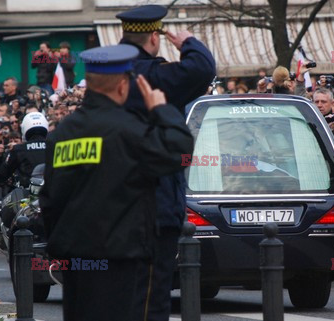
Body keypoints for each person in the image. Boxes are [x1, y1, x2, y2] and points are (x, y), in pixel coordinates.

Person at [39, 44, 194, 321]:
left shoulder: (61, 134)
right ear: (123, 86)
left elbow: (49, 200)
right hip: (119, 257)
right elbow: (180, 153)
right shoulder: (128, 130)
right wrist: (162, 109)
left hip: (75, 257)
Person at [116, 5, 215, 320]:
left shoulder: (109, 72)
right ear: (154, 37)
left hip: (114, 204)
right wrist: (187, 42)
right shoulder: (153, 76)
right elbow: (202, 68)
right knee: (151, 300)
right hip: (154, 205)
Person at [0, 112, 48, 188]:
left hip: (28, 195)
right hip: (54, 192)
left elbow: (1, 175)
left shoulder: (19, 149)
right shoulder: (55, 146)